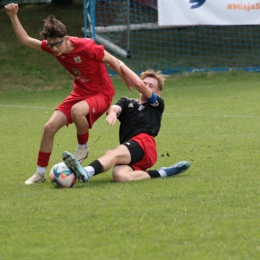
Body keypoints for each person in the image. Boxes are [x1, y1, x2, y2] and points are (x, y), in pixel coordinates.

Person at [5, 3, 132, 185]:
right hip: (80, 92)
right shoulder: (53, 47)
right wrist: (13, 16)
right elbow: (25, 40)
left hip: (101, 93)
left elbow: (111, 59)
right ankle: (40, 174)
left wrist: (126, 78)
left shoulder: (87, 47)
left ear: (65, 38)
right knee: (49, 128)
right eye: (51, 45)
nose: (54, 49)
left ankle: (82, 148)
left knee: (77, 111)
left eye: (57, 44)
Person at [62, 61, 190, 183]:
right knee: (120, 176)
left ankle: (86, 172)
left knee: (112, 154)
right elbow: (114, 108)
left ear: (158, 92)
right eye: (144, 83)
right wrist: (112, 112)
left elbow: (138, 85)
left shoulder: (157, 104)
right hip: (131, 151)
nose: (146, 87)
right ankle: (162, 173)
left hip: (145, 144)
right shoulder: (126, 102)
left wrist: (119, 63)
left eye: (151, 86)